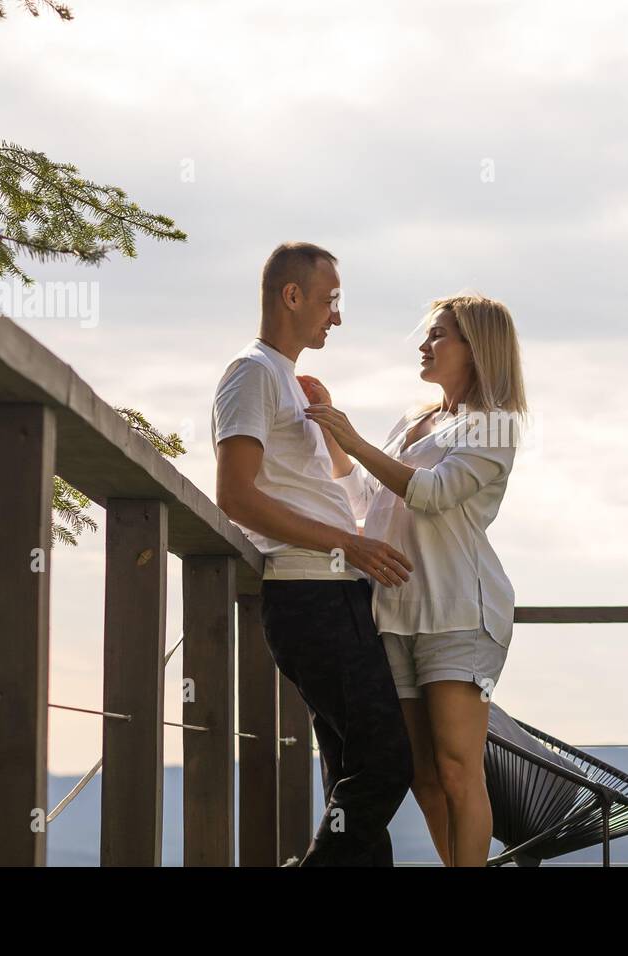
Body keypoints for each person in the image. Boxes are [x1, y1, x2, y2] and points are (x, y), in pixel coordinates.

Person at [304, 293, 526, 866]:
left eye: (439, 335)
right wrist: (333, 431)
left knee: (457, 768)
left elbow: (430, 493)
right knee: (422, 775)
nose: (425, 346)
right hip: (396, 613)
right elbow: (369, 498)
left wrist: (352, 439)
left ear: (477, 348)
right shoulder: (414, 419)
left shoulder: (495, 425)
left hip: (460, 615)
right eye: (428, 335)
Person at [212, 242, 415, 866]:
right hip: (311, 595)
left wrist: (330, 430)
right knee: (386, 762)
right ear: (291, 295)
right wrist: (348, 544)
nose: (337, 315)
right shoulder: (250, 373)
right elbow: (235, 496)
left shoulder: (286, 382)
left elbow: (325, 493)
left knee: (353, 778)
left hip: (339, 595)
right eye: (330, 300)